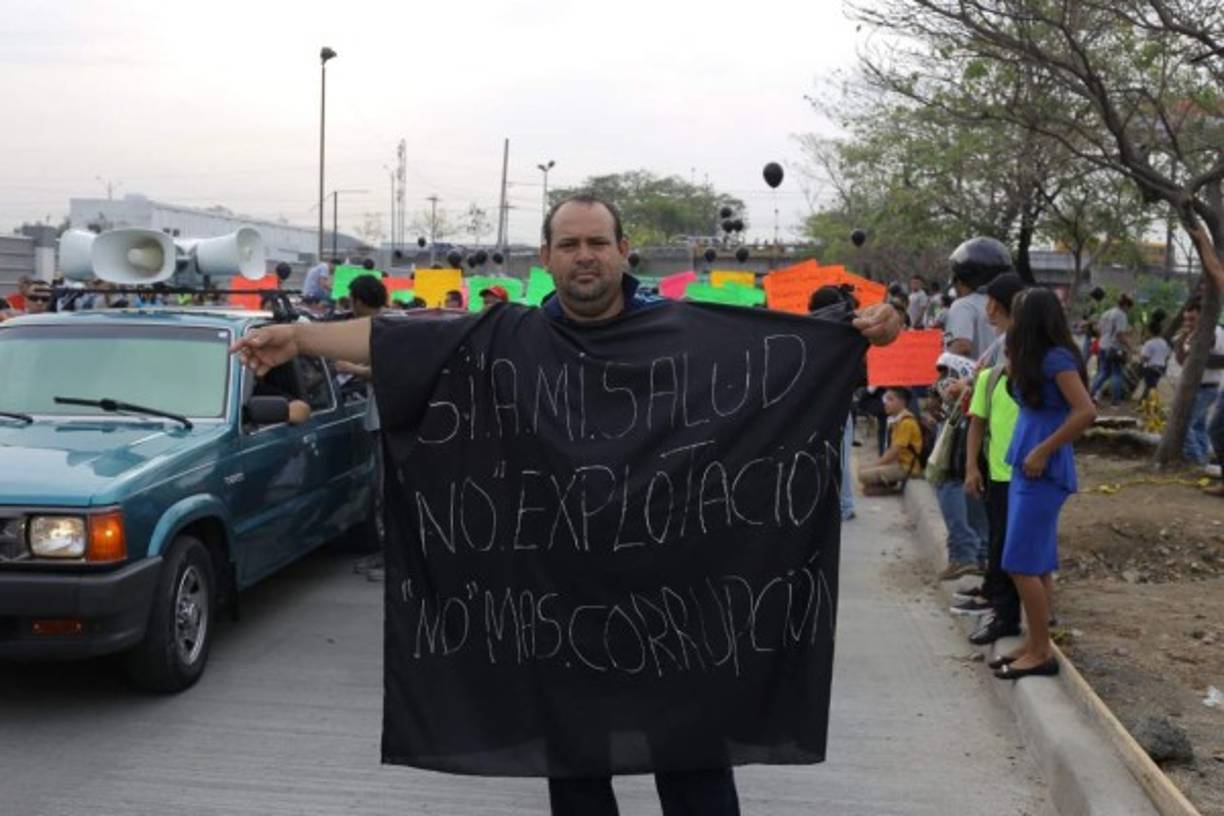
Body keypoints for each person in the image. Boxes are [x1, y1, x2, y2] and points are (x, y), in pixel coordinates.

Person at [230, 192, 903, 816]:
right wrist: (301, 338)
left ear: (622, 251)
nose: (586, 255)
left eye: (598, 242)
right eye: (571, 243)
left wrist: (865, 328)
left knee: (696, 778)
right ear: (546, 256)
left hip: (680, 618)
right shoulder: (506, 339)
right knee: (579, 785)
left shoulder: (688, 335)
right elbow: (396, 339)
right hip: (561, 622)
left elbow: (789, 350)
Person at [991, 288, 1096, 680]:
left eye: (1016, 315)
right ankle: (1037, 643)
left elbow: (1086, 411)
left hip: (1043, 468)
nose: (1010, 321)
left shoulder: (1056, 359)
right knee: (1038, 563)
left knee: (1018, 562)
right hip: (1026, 463)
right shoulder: (1031, 357)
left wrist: (1043, 451)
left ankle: (1040, 653)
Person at [957, 274, 1026, 639]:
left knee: (1010, 544)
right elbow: (979, 422)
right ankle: (1002, 605)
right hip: (1000, 467)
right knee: (1003, 539)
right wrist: (973, 465)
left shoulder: (1012, 345)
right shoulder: (1001, 354)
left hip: (1022, 469)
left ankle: (1008, 613)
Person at [336, 275, 390, 579]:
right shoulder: (378, 326)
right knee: (381, 491)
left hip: (387, 421)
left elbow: (387, 368)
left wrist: (350, 369)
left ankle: (394, 559)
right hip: (379, 418)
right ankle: (385, 553)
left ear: (357, 300)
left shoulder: (383, 329)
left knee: (388, 492)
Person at [1175, 295, 1224, 469]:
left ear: (1203, 315)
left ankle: (1196, 461)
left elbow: (1215, 359)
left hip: (1207, 387)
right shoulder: (1192, 334)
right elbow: (1182, 361)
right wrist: (1181, 342)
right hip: (1197, 387)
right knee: (1198, 426)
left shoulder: (1214, 332)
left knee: (1185, 425)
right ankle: (1202, 457)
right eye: (1186, 319)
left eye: (1192, 318)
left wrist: (1195, 356)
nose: (1188, 322)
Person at [944, 237, 1010, 363]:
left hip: (975, 381)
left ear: (964, 278)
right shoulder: (1008, 305)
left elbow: (961, 347)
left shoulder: (964, 305)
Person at [857, 387, 923, 493]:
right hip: (898, 464)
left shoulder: (906, 422)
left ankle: (890, 488)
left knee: (862, 474)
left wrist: (874, 465)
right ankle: (886, 486)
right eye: (885, 400)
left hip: (906, 467)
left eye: (890, 399)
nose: (886, 403)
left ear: (902, 402)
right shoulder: (898, 420)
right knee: (863, 475)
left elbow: (894, 452)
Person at [1089, 293, 1134, 406]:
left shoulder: (1106, 313)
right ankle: (1116, 401)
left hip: (1103, 346)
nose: (1129, 310)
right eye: (1129, 308)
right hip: (1115, 348)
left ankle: (1089, 394)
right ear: (1125, 305)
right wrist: (1131, 347)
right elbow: (1120, 335)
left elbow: (1098, 329)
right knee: (1117, 373)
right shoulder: (1121, 315)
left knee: (1103, 372)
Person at [1137, 313, 1172, 401]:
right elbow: (1167, 355)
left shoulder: (1149, 343)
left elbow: (1144, 358)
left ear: (1150, 331)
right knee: (1152, 386)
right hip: (1162, 367)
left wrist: (1139, 355)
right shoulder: (1164, 343)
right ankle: (1143, 402)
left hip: (1151, 368)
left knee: (1151, 387)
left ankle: (1152, 404)